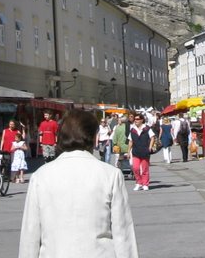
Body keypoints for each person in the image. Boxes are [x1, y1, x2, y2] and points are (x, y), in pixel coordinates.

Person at [19, 109, 138, 258]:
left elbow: (30, 235)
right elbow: (123, 233)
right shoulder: (110, 175)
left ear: (60, 137)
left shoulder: (40, 176)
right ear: (93, 137)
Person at [126, 113, 155, 191]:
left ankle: (145, 184)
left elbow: (152, 137)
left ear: (142, 120)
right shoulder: (132, 130)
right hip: (135, 151)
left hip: (145, 151)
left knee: (145, 168)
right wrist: (128, 152)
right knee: (135, 168)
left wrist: (150, 147)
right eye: (135, 119)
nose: (136, 121)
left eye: (138, 119)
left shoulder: (147, 129)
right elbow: (130, 141)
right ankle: (138, 182)